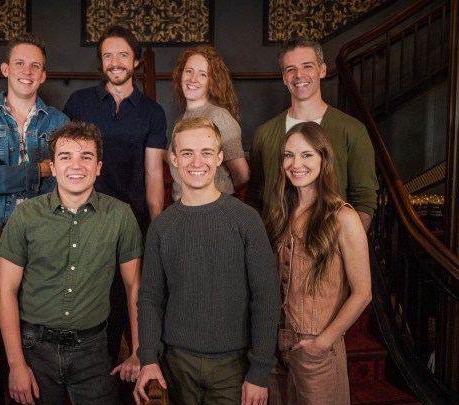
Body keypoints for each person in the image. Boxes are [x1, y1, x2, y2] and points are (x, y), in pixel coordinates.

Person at [134, 117, 280, 405]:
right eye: (186, 153)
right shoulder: (162, 227)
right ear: (173, 159)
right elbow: (149, 299)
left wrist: (259, 370)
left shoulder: (246, 221)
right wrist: (148, 359)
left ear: (218, 157)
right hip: (176, 363)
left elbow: (266, 298)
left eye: (205, 152)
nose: (196, 161)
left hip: (232, 365)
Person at [0, 121, 143, 405]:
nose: (76, 165)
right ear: (53, 165)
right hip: (35, 347)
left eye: (86, 157)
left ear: (99, 167)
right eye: (65, 157)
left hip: (92, 347)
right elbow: (5, 291)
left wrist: (139, 350)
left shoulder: (120, 215)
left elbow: (135, 287)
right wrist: (16, 364)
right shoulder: (25, 216)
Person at [63, 24, 167, 365]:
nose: (115, 62)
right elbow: (66, 160)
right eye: (108, 56)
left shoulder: (152, 112)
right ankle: (94, 377)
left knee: (128, 300)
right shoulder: (79, 102)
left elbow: (153, 173)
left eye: (123, 55)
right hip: (85, 216)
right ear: (101, 62)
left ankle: (134, 366)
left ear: (136, 61)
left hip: (132, 216)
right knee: (89, 298)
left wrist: (157, 225)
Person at [266, 122, 372, 405]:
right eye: (289, 155)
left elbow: (363, 292)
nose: (295, 164)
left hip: (317, 351)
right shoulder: (281, 214)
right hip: (278, 349)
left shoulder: (343, 217)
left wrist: (322, 343)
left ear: (324, 159)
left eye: (306, 155)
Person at [247, 37, 378, 231]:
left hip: (330, 247)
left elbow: (364, 201)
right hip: (276, 249)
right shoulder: (264, 133)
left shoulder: (352, 129)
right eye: (290, 69)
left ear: (322, 70)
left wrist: (343, 251)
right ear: (284, 77)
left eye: (307, 66)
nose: (299, 75)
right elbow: (255, 199)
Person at [0, 32, 69, 226]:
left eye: (35, 66)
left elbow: (63, 183)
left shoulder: (60, 122)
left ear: (43, 76)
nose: (27, 71)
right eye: (19, 63)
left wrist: (0, 171)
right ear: (5, 69)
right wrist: (41, 169)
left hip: (45, 227)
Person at [169, 45, 249, 201]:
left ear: (212, 82)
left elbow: (242, 175)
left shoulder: (219, 117)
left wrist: (222, 194)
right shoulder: (181, 119)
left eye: (202, 74)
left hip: (212, 207)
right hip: (182, 205)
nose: (192, 79)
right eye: (189, 71)